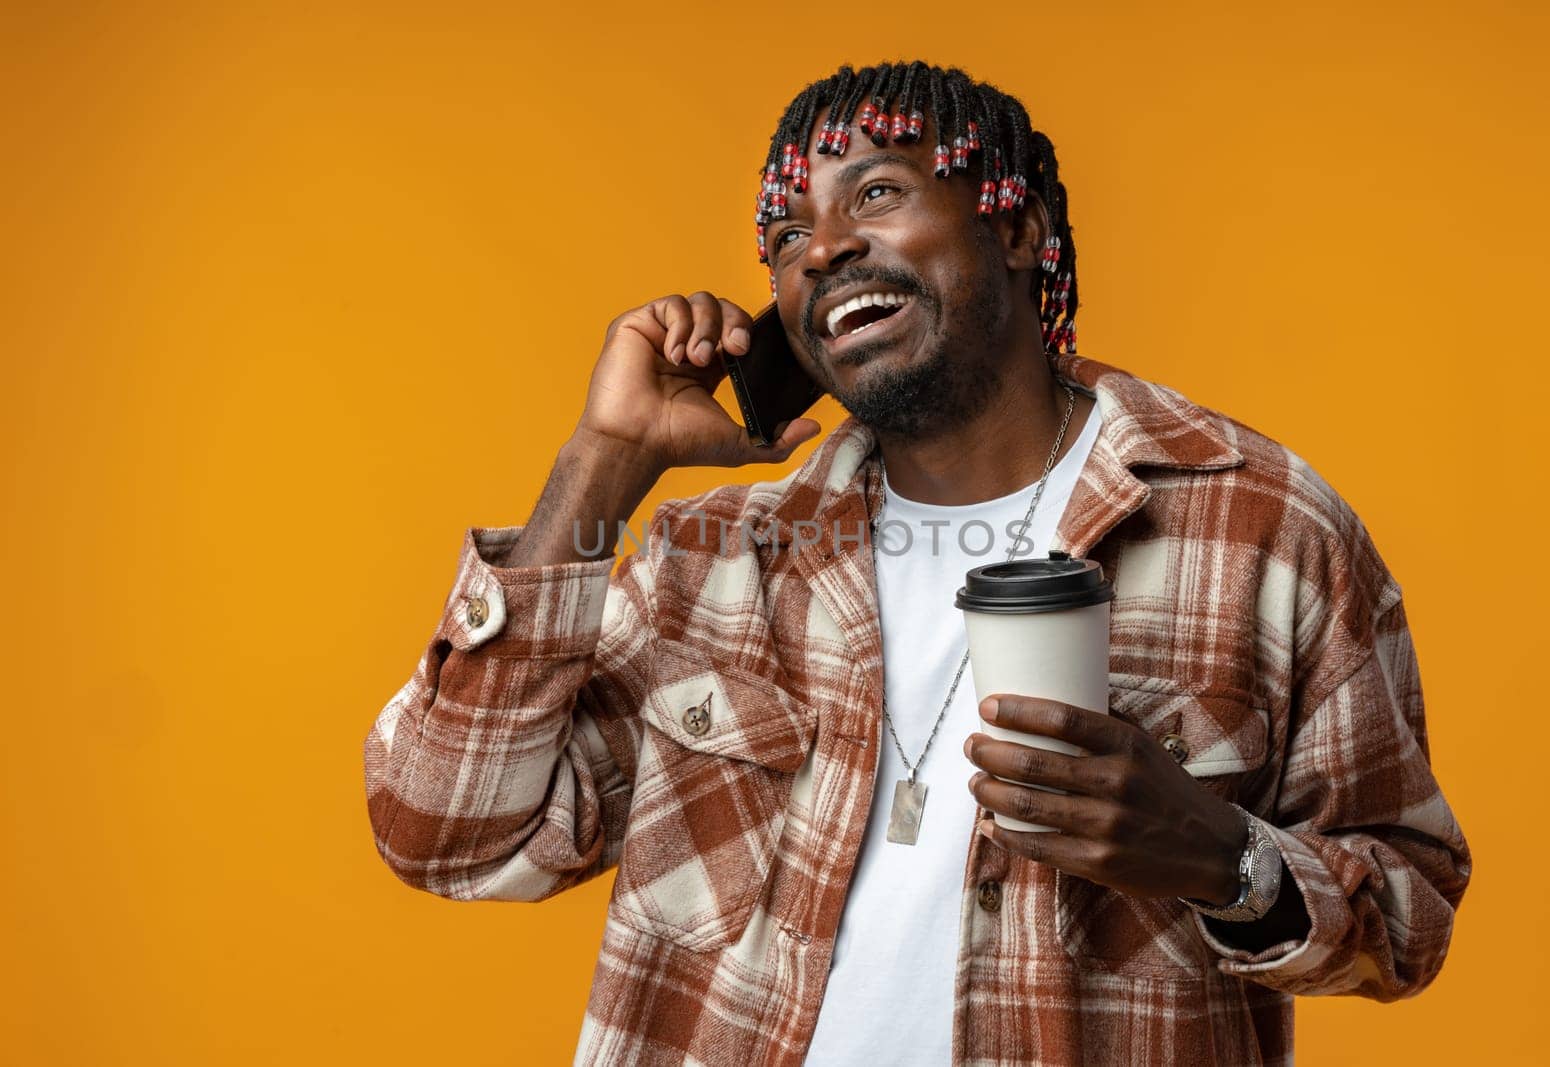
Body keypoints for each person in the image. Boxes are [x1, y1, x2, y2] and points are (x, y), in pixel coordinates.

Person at [362, 61, 1471, 1065]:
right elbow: (446, 830)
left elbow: (1409, 913)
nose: (823, 247)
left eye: (877, 192)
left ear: (1021, 227)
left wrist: (1222, 856)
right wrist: (605, 461)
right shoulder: (711, 560)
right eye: (786, 235)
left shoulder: (1264, 531)